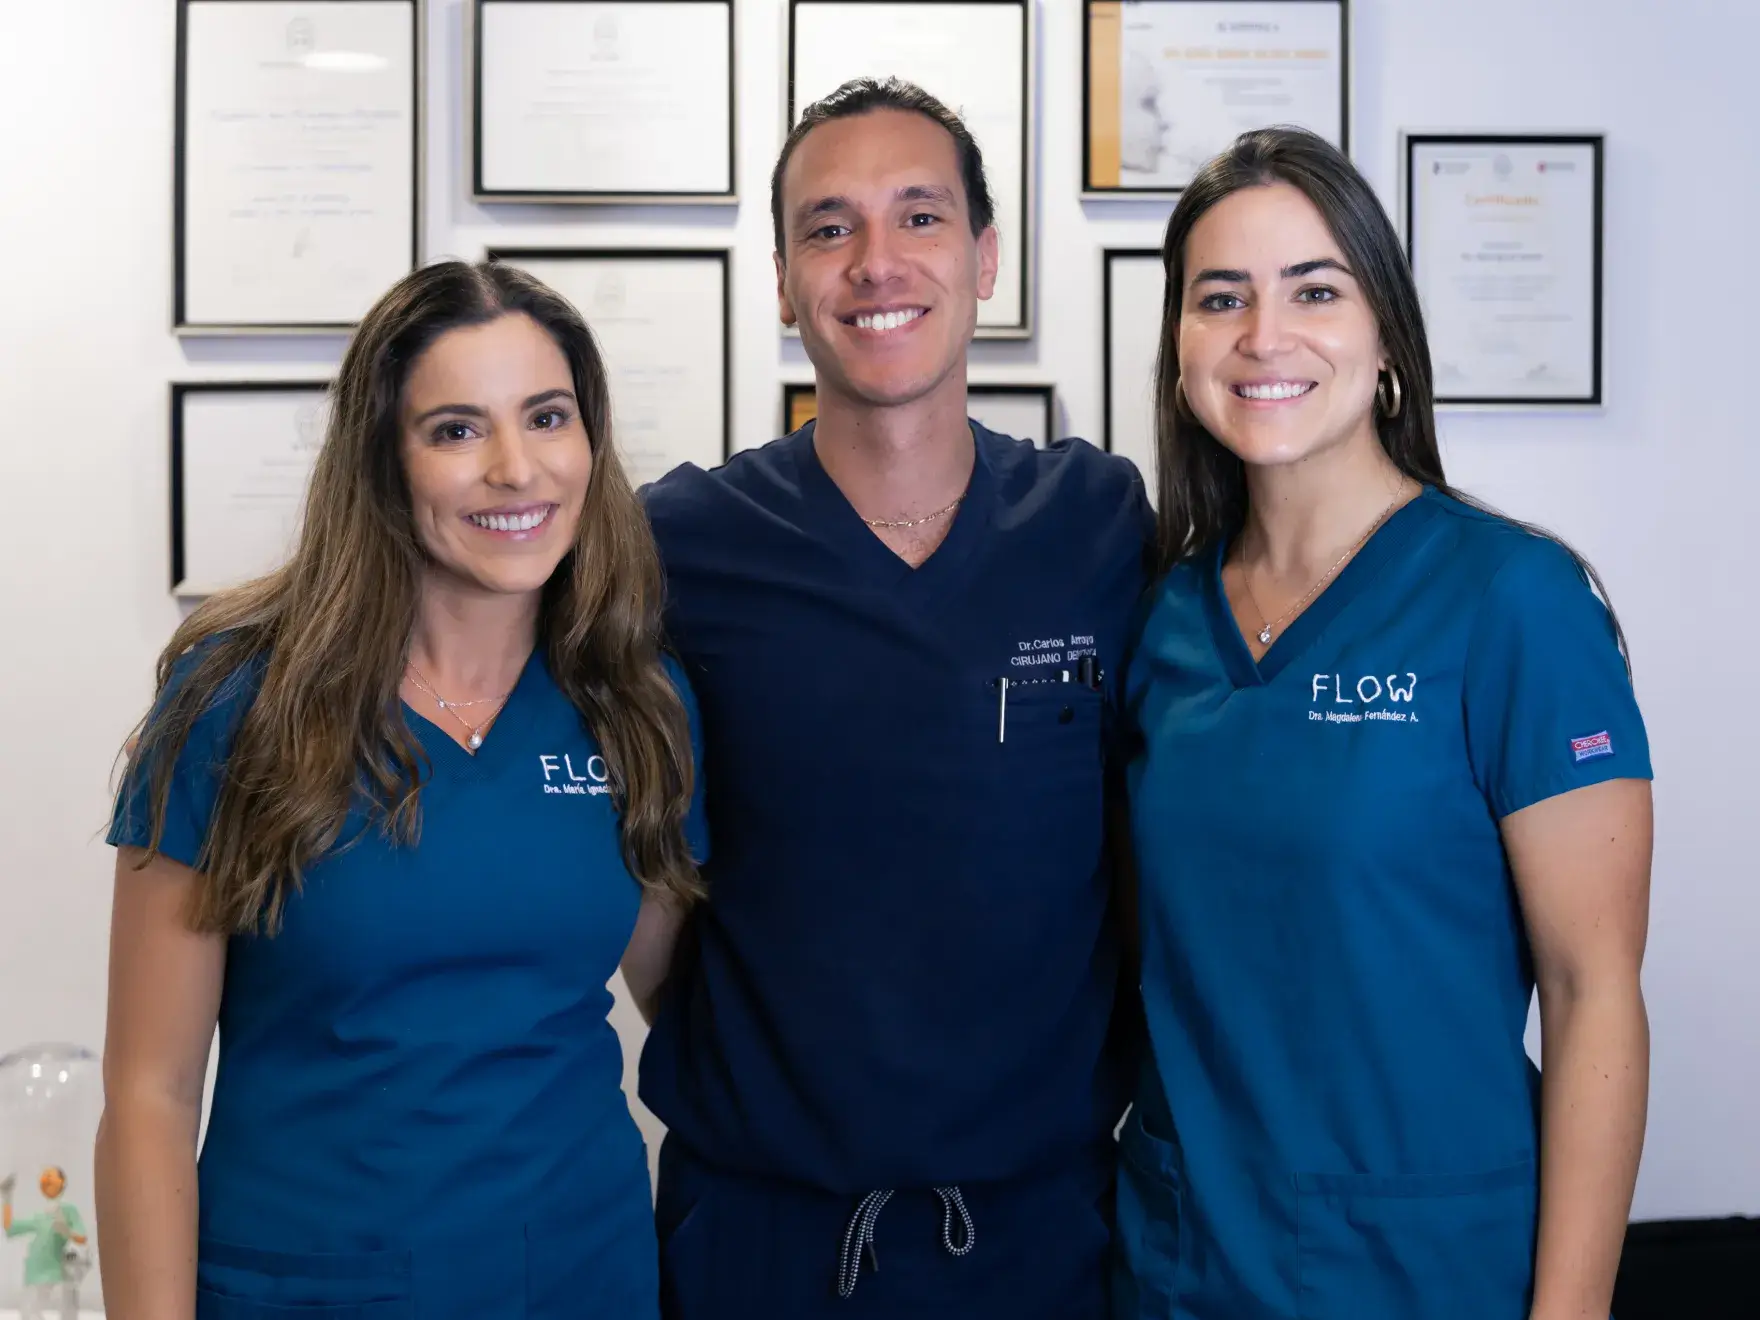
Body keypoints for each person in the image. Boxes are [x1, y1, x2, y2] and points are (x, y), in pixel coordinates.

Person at [98, 260, 706, 1319]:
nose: (516, 469)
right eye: (457, 430)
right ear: (383, 460)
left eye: (547, 417)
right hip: (309, 1289)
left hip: (582, 1280)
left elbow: (689, 1007)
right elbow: (149, 1096)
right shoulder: (237, 699)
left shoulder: (635, 699)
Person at [1115, 127, 1653, 1320]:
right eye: (1220, 298)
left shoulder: (1510, 601)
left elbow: (1590, 990)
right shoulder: (1160, 620)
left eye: (1314, 289)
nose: (1264, 335)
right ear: (1181, 349)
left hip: (1428, 1269)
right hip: (1179, 1261)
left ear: (1384, 338)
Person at [636, 77, 1153, 1319]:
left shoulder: (1095, 523)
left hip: (1044, 1237)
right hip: (762, 1239)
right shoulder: (682, 545)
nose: (875, 262)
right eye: (828, 227)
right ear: (780, 279)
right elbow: (643, 882)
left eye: (917, 217)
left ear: (982, 259)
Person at [4, 1167, 88, 1320]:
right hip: (35, 1276)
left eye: (51, 1176)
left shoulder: (68, 1209)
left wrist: (66, 1231)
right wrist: (6, 1197)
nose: (46, 1179)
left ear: (61, 1183)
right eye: (44, 1177)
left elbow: (81, 1238)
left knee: (67, 1310)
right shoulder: (40, 1217)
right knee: (29, 1313)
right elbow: (10, 1229)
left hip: (59, 1275)